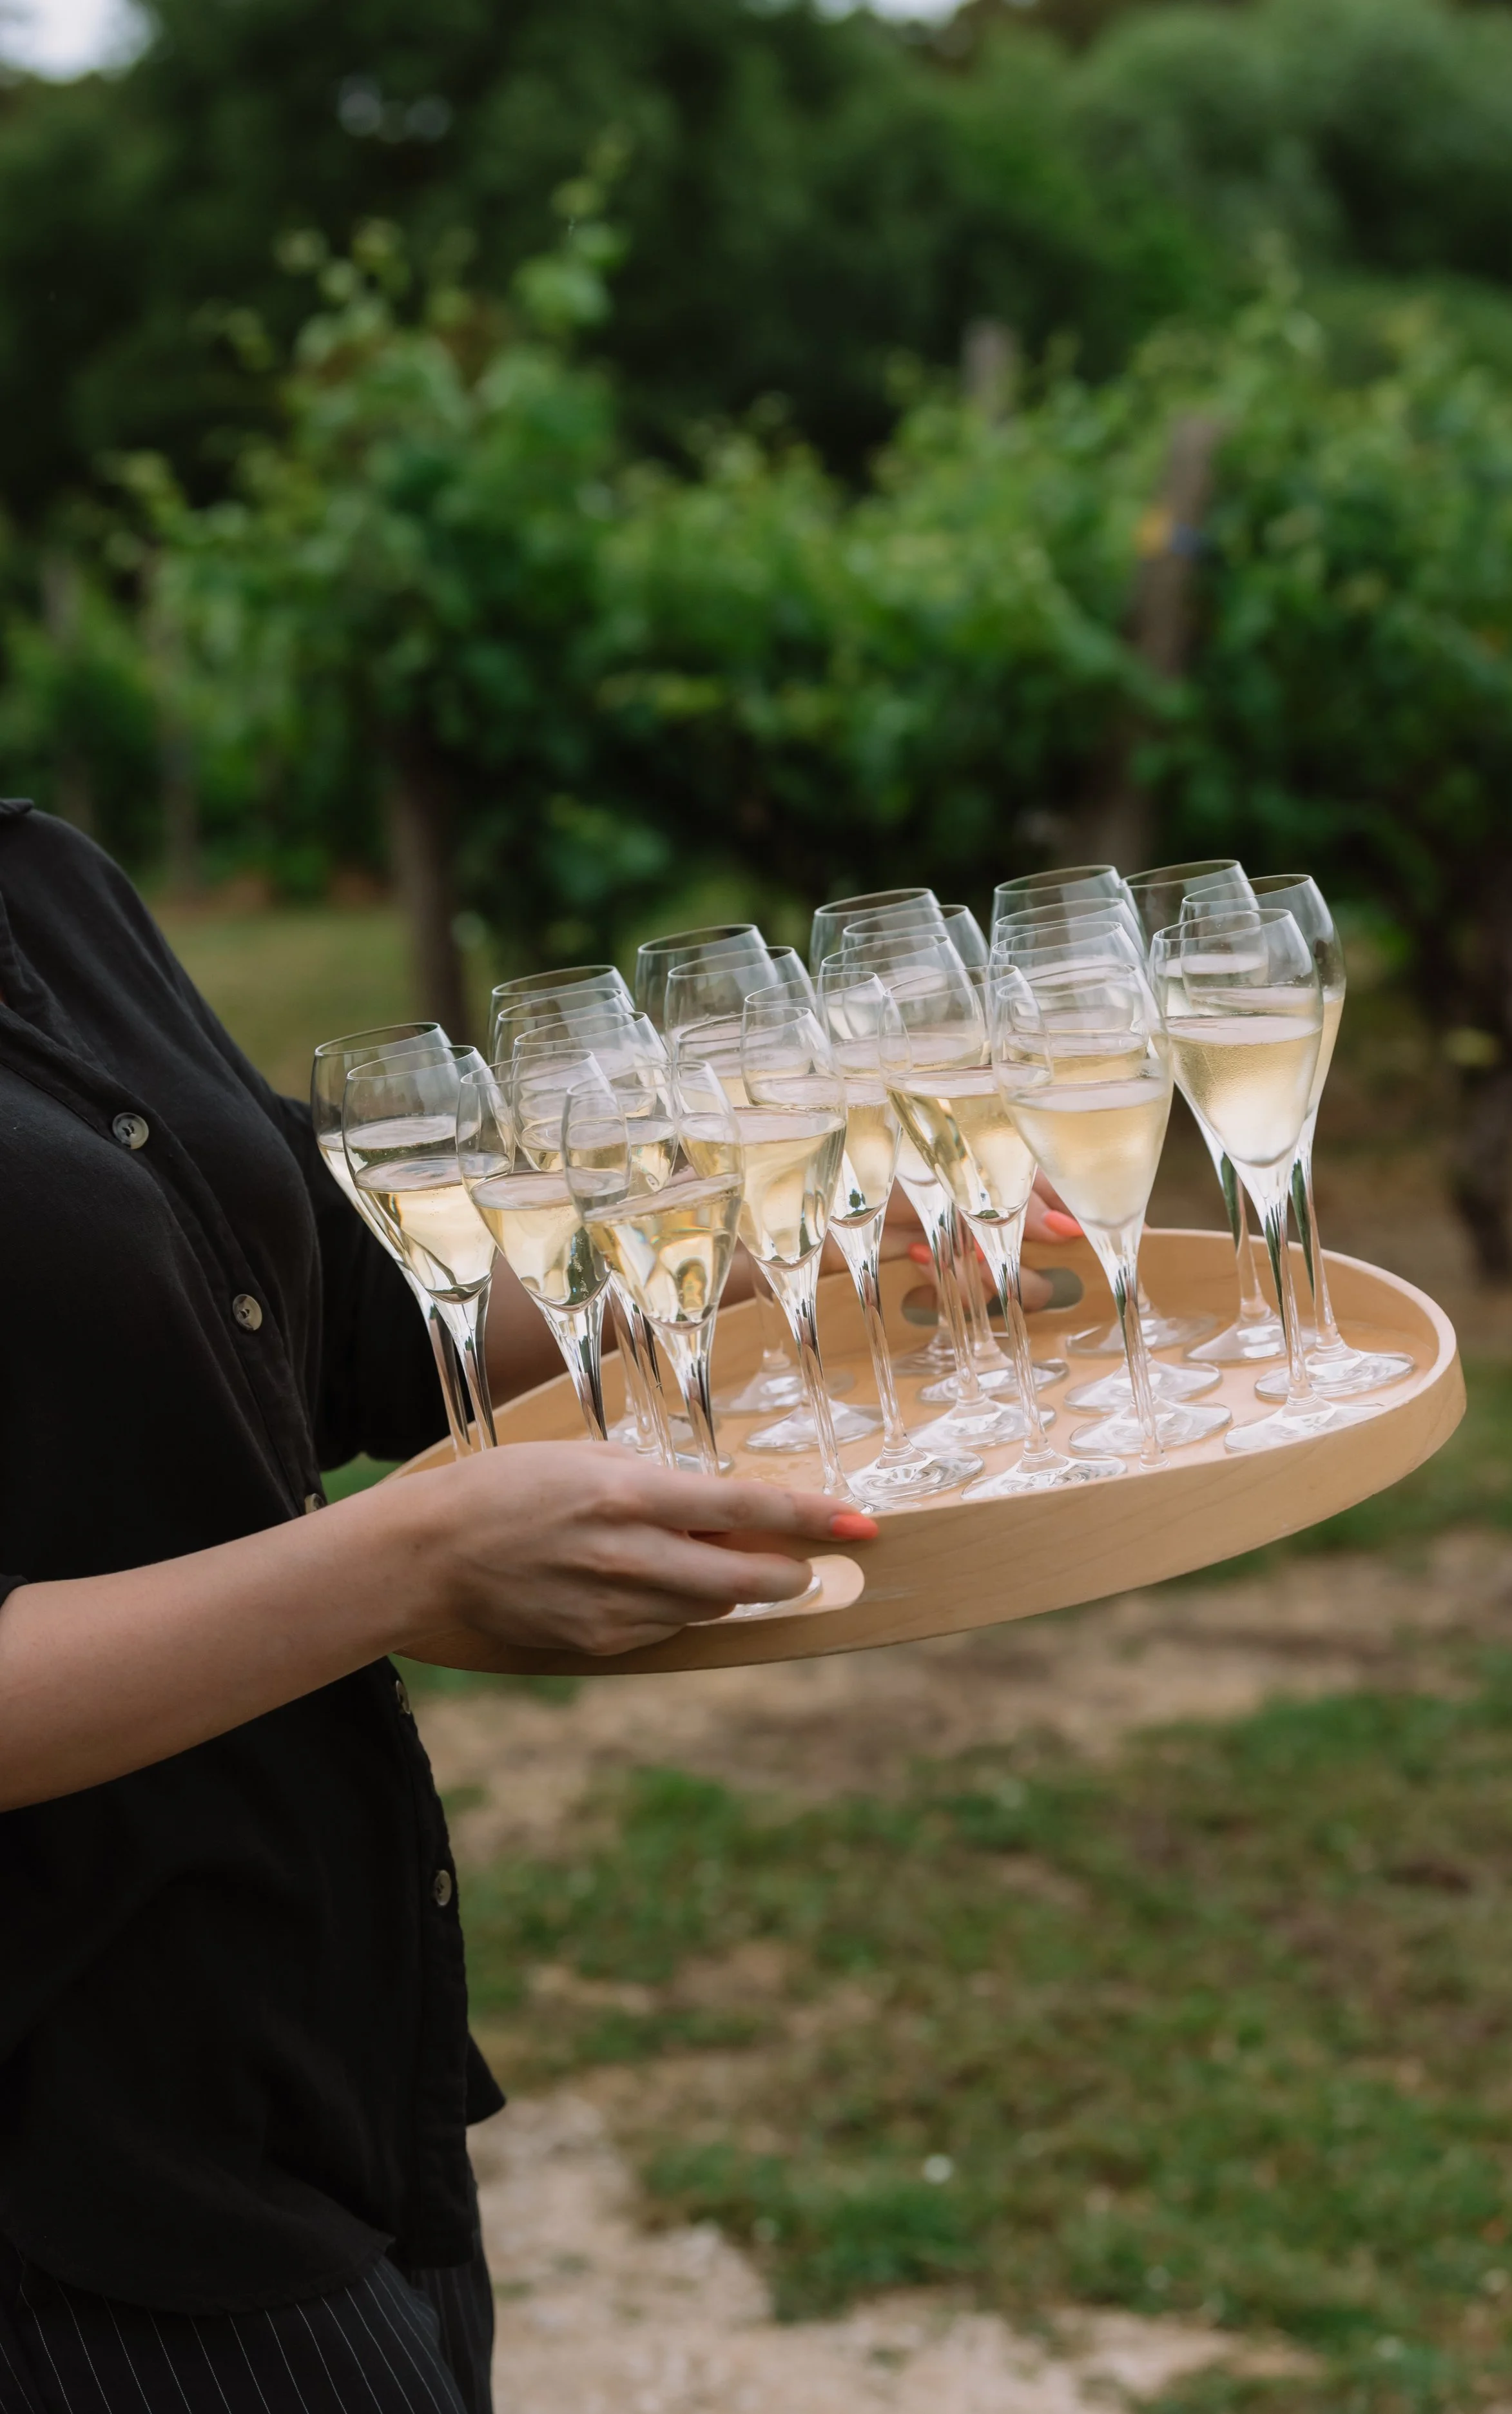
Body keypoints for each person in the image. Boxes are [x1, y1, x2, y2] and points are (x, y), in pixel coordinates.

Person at [0, 801, 869, 2414]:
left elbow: (344, 1308)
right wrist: (395, 1564)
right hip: (64, 2189)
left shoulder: (38, 882)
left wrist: (812, 1244)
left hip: (302, 2058)